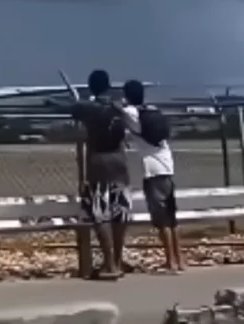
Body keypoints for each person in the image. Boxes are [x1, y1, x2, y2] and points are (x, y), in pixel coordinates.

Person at [67, 69, 132, 280]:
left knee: (100, 214)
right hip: (120, 163)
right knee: (119, 213)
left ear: (91, 86)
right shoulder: (118, 107)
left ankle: (110, 264)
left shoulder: (89, 108)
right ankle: (119, 260)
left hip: (98, 164)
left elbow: (66, 108)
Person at [120, 79, 184, 273]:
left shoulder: (130, 112)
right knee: (171, 218)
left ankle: (170, 262)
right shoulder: (152, 111)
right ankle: (179, 260)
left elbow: (121, 114)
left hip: (152, 168)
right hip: (167, 165)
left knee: (161, 219)